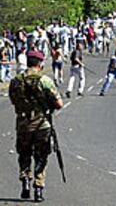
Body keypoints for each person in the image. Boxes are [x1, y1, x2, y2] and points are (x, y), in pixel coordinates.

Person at [9, 51, 64, 202]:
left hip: (23, 124)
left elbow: (14, 101)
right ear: (40, 63)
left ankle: (25, 180)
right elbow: (59, 104)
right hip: (42, 124)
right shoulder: (45, 80)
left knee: (24, 154)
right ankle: (38, 189)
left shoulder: (15, 81)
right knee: (41, 156)